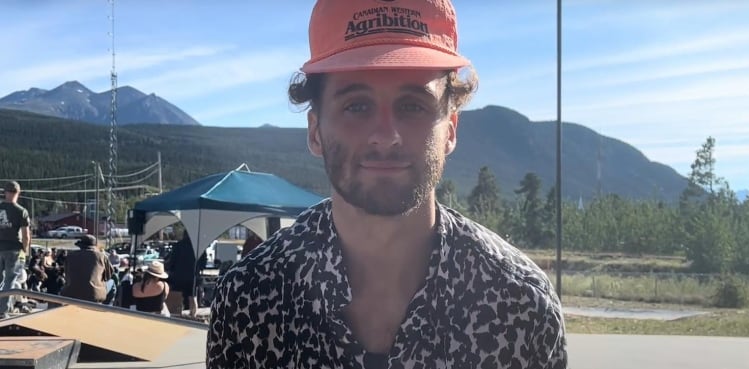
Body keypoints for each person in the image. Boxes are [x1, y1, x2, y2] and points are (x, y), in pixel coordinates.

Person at [207, 0, 567, 368]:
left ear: (451, 131)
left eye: (412, 106)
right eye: (356, 106)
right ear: (315, 131)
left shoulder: (519, 305)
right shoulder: (250, 297)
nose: (386, 135)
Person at [0, 180, 31, 319]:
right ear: (18, 193)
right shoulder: (21, 211)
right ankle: (2, 311)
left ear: (5, 192)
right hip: (13, 249)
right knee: (10, 280)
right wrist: (26, 250)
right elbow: (26, 235)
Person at [60, 235, 114, 303]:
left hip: (71, 294)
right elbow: (108, 276)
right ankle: (105, 308)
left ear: (80, 246)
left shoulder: (70, 256)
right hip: (94, 295)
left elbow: (67, 275)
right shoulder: (101, 256)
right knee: (112, 283)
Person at [164, 231, 199, 318]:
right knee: (192, 297)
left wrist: (170, 269)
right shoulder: (197, 247)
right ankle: (193, 314)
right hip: (192, 275)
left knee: (177, 296)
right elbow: (203, 261)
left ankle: (177, 314)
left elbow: (172, 260)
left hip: (178, 275)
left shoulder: (178, 245)